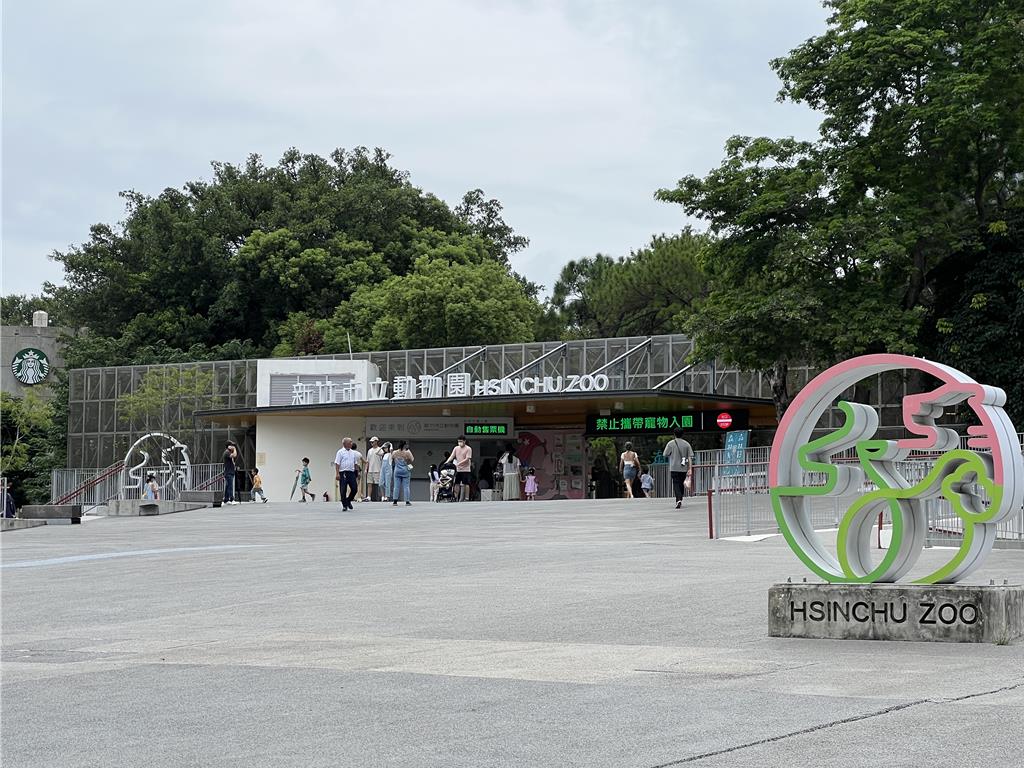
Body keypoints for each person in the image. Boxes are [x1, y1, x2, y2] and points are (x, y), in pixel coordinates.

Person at [663, 429, 696, 509]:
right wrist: (690, 468)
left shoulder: (670, 443)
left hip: (674, 467)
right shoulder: (686, 444)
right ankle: (680, 498)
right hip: (683, 468)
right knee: (681, 483)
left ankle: (678, 499)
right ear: (682, 434)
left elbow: (665, 454)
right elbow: (690, 457)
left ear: (674, 434)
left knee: (676, 483)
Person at [334, 437, 363, 511]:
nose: (351, 443)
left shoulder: (353, 452)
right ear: (345, 444)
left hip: (351, 472)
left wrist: (357, 472)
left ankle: (348, 500)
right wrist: (337, 474)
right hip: (343, 472)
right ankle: (344, 505)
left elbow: (355, 463)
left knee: (354, 488)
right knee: (343, 489)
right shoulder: (340, 452)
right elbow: (337, 463)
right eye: (350, 442)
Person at [446, 436, 473, 501]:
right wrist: (447, 462)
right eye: (458, 441)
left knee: (466, 483)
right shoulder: (456, 448)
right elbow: (452, 456)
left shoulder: (468, 448)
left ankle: (466, 498)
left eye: (461, 441)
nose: (459, 443)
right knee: (456, 483)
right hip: (458, 469)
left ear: (464, 441)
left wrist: (459, 463)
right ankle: (455, 496)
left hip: (466, 469)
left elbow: (467, 459)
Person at [390, 441, 415, 506]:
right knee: (406, 486)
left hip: (397, 470)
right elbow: (412, 459)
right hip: (405, 470)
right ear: (405, 445)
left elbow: (391, 457)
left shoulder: (395, 452)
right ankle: (407, 501)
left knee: (396, 486)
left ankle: (395, 501)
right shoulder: (407, 452)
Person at [364, 436, 384, 501]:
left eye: (373, 441)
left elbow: (382, 455)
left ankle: (382, 496)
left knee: (379, 484)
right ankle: (369, 496)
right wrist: (366, 469)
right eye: (371, 442)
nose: (371, 443)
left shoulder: (380, 450)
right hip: (370, 470)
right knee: (369, 483)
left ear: (376, 441)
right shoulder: (369, 450)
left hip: (378, 469)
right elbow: (367, 461)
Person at [222, 441, 238, 505]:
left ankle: (226, 500)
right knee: (230, 486)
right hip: (228, 472)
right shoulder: (227, 452)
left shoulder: (228, 452)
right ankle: (232, 499)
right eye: (231, 445)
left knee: (228, 486)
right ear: (228, 446)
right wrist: (235, 449)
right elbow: (234, 455)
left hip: (229, 471)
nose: (232, 446)